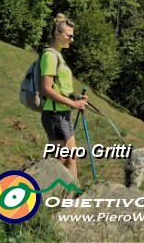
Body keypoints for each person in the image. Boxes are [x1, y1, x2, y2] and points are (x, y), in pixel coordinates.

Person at [39, 14, 85, 179]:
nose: (72, 39)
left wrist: (75, 98)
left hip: (63, 114)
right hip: (54, 115)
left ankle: (72, 194)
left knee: (71, 158)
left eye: (73, 36)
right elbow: (46, 89)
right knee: (58, 161)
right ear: (57, 34)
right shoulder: (50, 55)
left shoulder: (58, 56)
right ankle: (47, 196)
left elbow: (58, 87)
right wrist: (74, 104)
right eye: (69, 35)